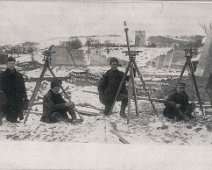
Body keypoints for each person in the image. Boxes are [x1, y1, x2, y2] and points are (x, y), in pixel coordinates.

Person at [0, 56, 28, 123]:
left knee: (13, 118)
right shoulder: (2, 75)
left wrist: (25, 97)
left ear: (15, 64)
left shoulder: (19, 76)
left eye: (13, 63)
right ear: (7, 64)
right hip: (6, 99)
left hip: (17, 99)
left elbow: (23, 88)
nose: (11, 65)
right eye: (10, 63)